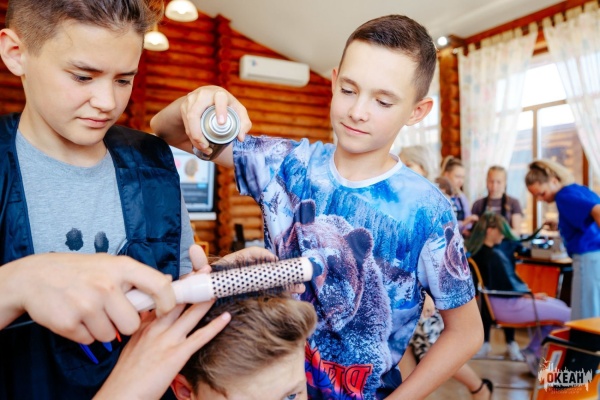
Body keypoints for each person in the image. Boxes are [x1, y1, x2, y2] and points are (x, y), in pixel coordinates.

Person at [152, 14, 483, 399]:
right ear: (334, 80)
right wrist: (200, 99)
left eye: (382, 100)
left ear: (417, 111)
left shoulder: (427, 209)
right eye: (349, 90)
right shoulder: (284, 165)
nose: (358, 111)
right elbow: (165, 130)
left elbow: (466, 332)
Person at [0, 0, 240, 397]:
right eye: (83, 77)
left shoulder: (152, 161)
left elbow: (180, 292)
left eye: (124, 80)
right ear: (15, 53)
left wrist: (226, 279)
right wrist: (17, 282)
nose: (107, 103)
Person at [398, 149, 492, 399]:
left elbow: (437, 258)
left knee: (436, 352)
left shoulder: (431, 202)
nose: (400, 170)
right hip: (402, 298)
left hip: (426, 294)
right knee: (405, 354)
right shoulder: (398, 200)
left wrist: (426, 294)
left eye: (408, 165)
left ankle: (479, 388)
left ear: (422, 169)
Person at [465, 212, 571, 375]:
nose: (503, 235)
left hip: (500, 302)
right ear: (490, 230)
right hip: (507, 305)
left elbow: (504, 284)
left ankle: (533, 351)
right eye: (501, 231)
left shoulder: (480, 252)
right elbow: (506, 286)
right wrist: (531, 295)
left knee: (560, 305)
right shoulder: (491, 256)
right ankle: (536, 355)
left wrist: (530, 295)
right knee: (568, 316)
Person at [525, 159, 600, 320]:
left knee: (584, 316)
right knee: (592, 310)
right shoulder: (576, 189)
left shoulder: (563, 197)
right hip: (594, 257)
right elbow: (585, 222)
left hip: (587, 258)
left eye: (542, 194)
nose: (540, 199)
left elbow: (597, 211)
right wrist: (560, 225)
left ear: (554, 181)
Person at [471, 165, 524, 361]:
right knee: (485, 298)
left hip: (504, 258)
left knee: (506, 296)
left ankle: (511, 342)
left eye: (498, 181)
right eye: (491, 181)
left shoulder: (513, 204)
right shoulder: (479, 204)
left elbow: (517, 231)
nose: (494, 185)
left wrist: (501, 231)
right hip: (484, 258)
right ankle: (484, 342)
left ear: (505, 182)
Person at [441, 155, 478, 234]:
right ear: (446, 175)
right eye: (457, 176)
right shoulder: (439, 197)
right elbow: (441, 226)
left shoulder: (461, 197)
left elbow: (468, 224)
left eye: (463, 177)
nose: (461, 181)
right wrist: (463, 223)